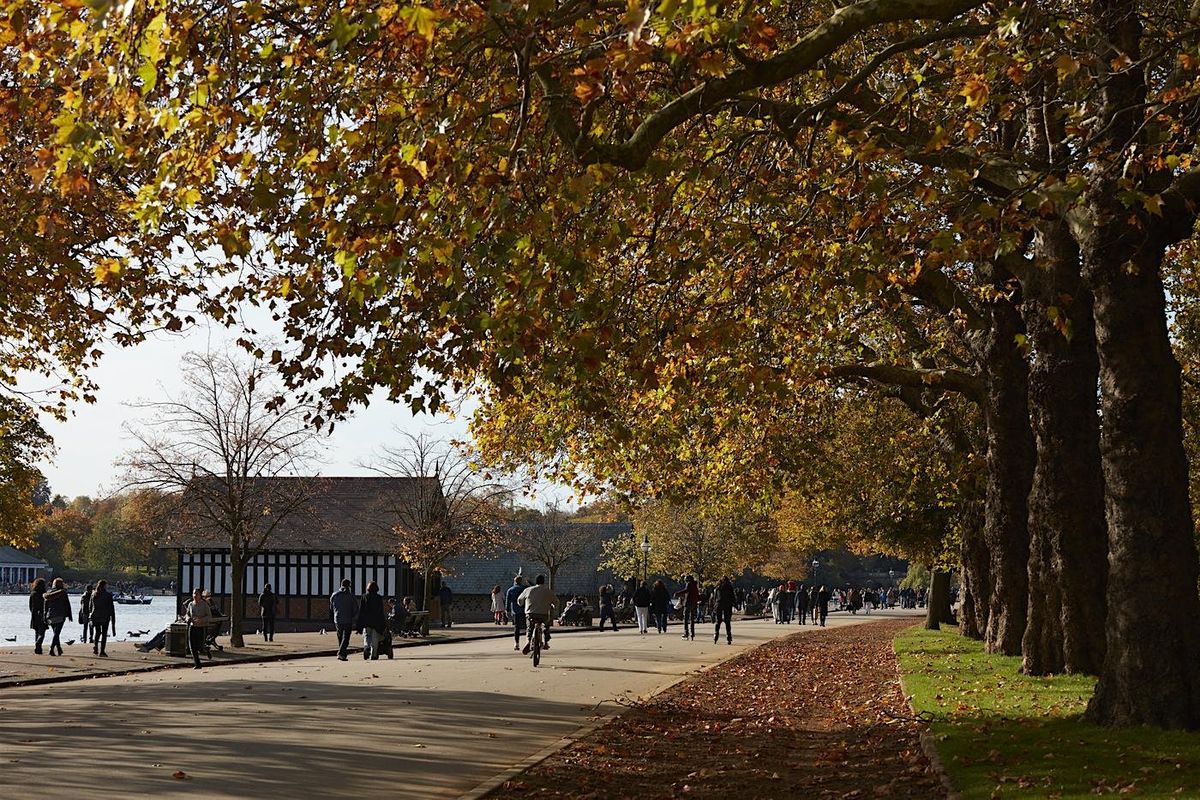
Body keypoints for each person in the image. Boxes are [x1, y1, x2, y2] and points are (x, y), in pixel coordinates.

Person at [517, 574, 556, 654]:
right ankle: (546, 641)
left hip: (530, 613)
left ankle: (528, 641)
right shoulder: (548, 591)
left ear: (536, 581)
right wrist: (553, 607)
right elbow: (556, 602)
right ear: (544, 582)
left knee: (529, 627)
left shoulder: (528, 590)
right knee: (546, 625)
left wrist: (522, 604)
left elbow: (519, 600)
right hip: (543, 614)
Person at [329, 578, 359, 661]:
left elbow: (331, 607)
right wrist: (352, 616)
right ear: (349, 586)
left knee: (340, 636)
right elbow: (355, 608)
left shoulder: (334, 595)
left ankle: (342, 654)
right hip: (348, 619)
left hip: (337, 619)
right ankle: (341, 653)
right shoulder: (351, 596)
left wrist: (335, 614)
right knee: (346, 638)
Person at [356, 581, 387, 660]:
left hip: (367, 621)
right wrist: (383, 622)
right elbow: (380, 611)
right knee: (375, 639)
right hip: (376, 621)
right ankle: (374, 655)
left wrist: (359, 622)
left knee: (367, 636)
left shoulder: (364, 597)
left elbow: (361, 611)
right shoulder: (379, 598)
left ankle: (366, 647)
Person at [44, 577, 73, 656]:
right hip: (60, 614)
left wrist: (45, 616)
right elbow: (67, 604)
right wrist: (69, 615)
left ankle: (59, 649)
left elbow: (45, 606)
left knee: (55, 633)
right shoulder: (63, 593)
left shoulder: (48, 594)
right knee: (57, 633)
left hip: (51, 615)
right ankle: (51, 648)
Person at [185, 587, 212, 669]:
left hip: (201, 627)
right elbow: (187, 614)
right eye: (193, 594)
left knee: (200, 647)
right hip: (192, 627)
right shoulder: (190, 604)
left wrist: (201, 620)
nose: (194, 595)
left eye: (196, 594)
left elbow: (209, 616)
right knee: (192, 646)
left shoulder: (204, 605)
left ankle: (205, 649)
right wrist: (188, 619)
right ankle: (197, 664)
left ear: (200, 595)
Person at [90, 580, 116, 657]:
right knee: (104, 634)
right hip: (105, 616)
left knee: (97, 632)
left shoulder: (93, 594)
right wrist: (113, 619)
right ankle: (102, 651)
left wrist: (90, 616)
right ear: (104, 586)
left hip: (95, 616)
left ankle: (95, 646)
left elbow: (90, 606)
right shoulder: (108, 595)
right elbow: (111, 608)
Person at [675, 576, 700, 640]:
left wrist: (678, 593)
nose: (685, 581)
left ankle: (686, 633)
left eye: (686, 580)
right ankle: (692, 633)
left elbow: (686, 590)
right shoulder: (695, 585)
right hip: (694, 603)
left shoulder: (689, 584)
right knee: (692, 619)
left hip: (688, 603)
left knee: (686, 618)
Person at [505, 575, 527, 651]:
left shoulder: (510, 590)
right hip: (525, 610)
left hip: (515, 610)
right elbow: (533, 587)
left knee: (516, 627)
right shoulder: (525, 589)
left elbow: (508, 602)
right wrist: (528, 581)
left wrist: (507, 611)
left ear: (514, 581)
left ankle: (516, 643)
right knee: (528, 627)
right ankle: (529, 642)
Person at [713, 576, 736, 644]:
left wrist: (714, 605)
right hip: (727, 605)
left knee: (718, 621)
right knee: (727, 621)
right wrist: (734, 603)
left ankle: (716, 634)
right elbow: (733, 597)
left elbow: (715, 598)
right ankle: (728, 636)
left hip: (719, 604)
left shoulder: (718, 587)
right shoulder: (729, 587)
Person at [29, 578, 47, 655]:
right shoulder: (44, 594)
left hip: (34, 614)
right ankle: (38, 644)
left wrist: (33, 612)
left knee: (37, 631)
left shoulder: (33, 594)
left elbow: (30, 606)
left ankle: (38, 648)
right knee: (42, 632)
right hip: (42, 614)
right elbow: (46, 605)